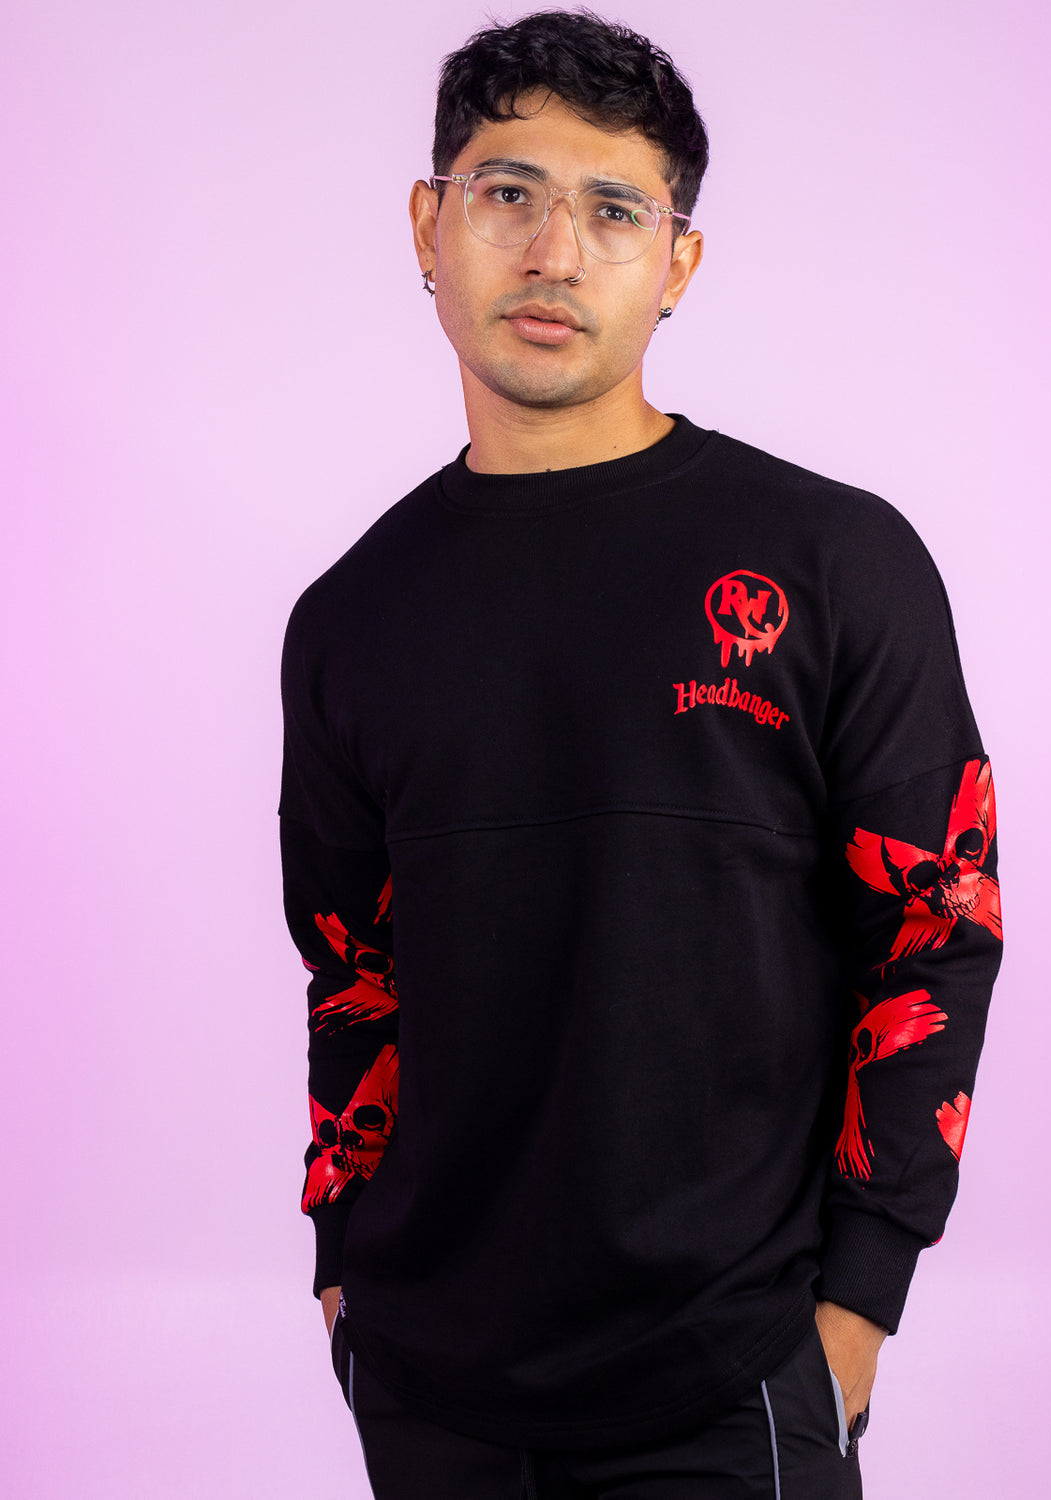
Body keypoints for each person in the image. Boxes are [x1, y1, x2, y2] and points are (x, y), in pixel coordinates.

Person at [277, 9, 1003, 1496]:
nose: (554, 252)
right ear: (429, 227)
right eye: (508, 193)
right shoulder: (350, 615)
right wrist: (345, 1262)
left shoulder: (832, 560)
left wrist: (857, 1301)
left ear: (677, 263)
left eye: (615, 210)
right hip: (426, 1383)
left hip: (726, 1376)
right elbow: (353, 973)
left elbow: (938, 929)